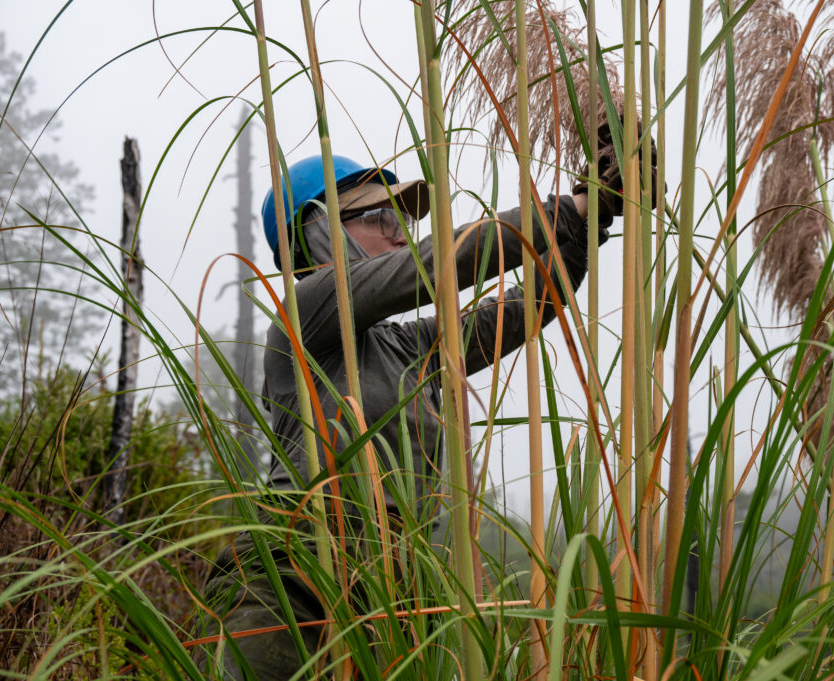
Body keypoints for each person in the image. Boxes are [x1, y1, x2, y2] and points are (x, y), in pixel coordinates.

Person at [200, 146, 634, 680]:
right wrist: (567, 210)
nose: (400, 232)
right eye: (382, 217)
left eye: (404, 219)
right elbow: (429, 266)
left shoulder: (412, 347)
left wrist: (590, 222)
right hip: (291, 586)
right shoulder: (303, 316)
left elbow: (531, 304)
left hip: (384, 599)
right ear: (317, 231)